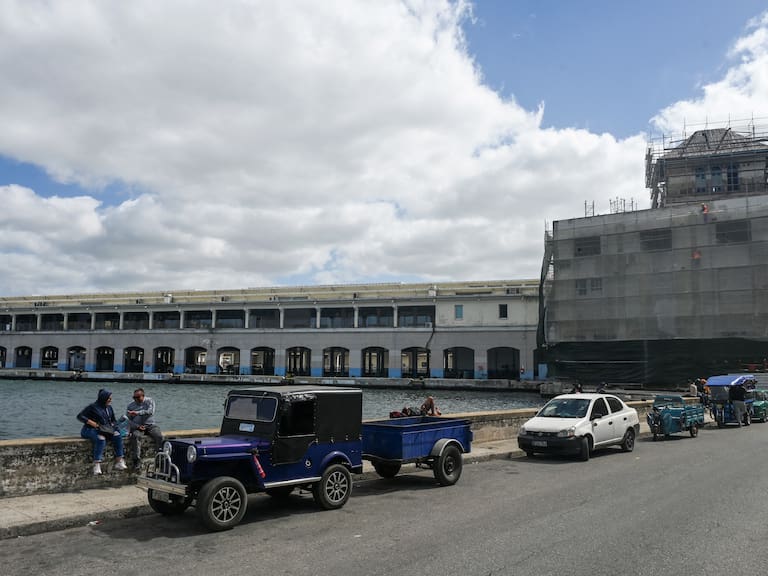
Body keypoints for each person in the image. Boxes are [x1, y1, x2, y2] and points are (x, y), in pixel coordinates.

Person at [77, 389, 127, 475]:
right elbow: (80, 416)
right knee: (101, 439)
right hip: (89, 430)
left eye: (111, 398)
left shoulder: (109, 408)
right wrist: (91, 422)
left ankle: (119, 461)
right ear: (103, 398)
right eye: (109, 398)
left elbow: (113, 420)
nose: (110, 400)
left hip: (105, 429)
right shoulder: (92, 407)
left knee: (117, 435)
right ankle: (97, 464)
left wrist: (113, 425)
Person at [126, 388, 164, 470]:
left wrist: (137, 413)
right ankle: (137, 460)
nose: (136, 399)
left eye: (138, 397)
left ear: (143, 396)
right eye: (134, 397)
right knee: (135, 437)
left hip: (150, 425)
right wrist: (136, 426)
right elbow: (128, 420)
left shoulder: (150, 401)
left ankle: (160, 458)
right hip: (138, 426)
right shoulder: (130, 406)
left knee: (159, 436)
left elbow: (151, 411)